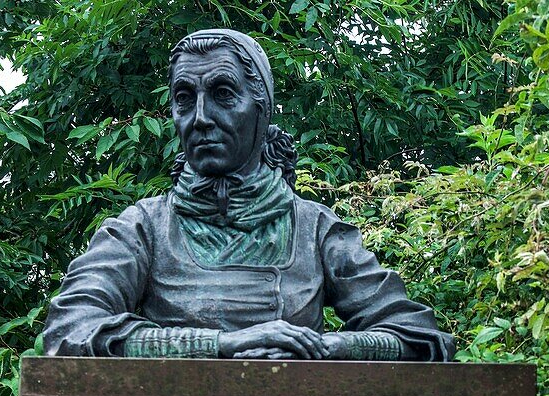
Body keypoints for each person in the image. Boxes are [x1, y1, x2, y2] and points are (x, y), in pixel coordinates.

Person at [43, 29, 454, 362]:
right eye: (185, 99)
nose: (200, 118)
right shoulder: (140, 230)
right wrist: (220, 346)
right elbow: (71, 329)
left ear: (261, 108)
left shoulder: (316, 229)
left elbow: (419, 336)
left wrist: (328, 349)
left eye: (223, 95)